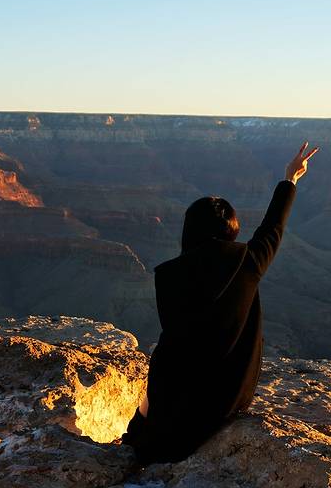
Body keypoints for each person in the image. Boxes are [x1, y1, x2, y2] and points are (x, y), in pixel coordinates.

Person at [121, 141, 320, 464]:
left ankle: (139, 445)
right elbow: (273, 227)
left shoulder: (167, 275)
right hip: (229, 396)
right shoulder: (250, 261)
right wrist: (290, 179)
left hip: (177, 395)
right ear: (232, 230)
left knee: (141, 429)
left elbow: (173, 343)